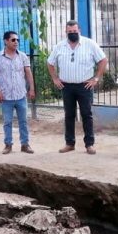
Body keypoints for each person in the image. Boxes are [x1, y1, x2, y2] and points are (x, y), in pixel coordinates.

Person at [47, 20, 108, 154]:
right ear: (66, 32)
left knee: (86, 115)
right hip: (67, 87)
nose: (72, 34)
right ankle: (69, 143)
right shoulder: (59, 46)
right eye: (70, 32)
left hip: (85, 86)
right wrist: (55, 78)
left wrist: (96, 78)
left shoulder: (89, 44)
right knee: (69, 115)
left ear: (79, 30)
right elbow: (50, 63)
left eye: (75, 31)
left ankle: (89, 145)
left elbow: (103, 60)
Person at [0, 31, 36, 154]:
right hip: (6, 97)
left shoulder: (22, 56)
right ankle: (8, 145)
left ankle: (25, 144)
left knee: (23, 121)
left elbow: (28, 73)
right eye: (13, 40)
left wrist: (31, 88)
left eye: (17, 40)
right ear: (6, 41)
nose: (16, 42)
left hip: (21, 95)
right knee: (7, 122)